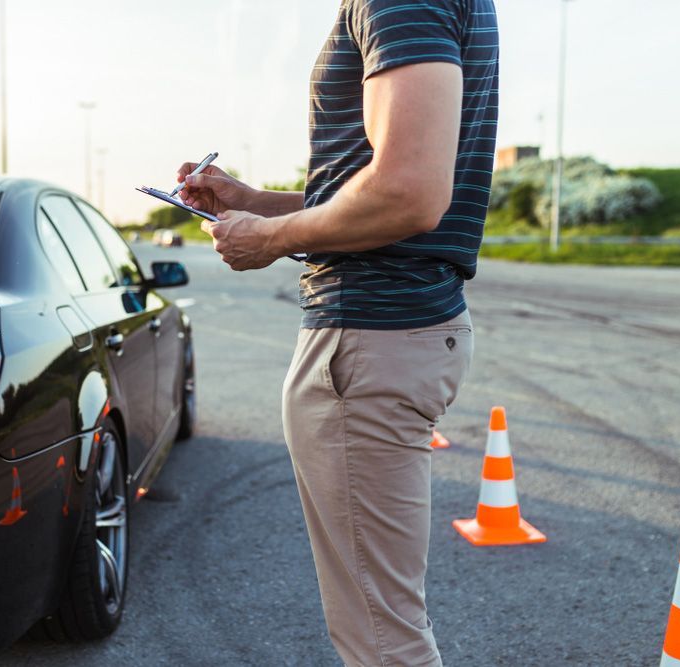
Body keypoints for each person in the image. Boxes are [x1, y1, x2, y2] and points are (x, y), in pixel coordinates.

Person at [176, 1, 499, 664]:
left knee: (381, 638)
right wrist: (253, 203)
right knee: (382, 625)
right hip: (388, 337)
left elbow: (409, 191)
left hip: (370, 337)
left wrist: (267, 238)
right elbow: (378, 182)